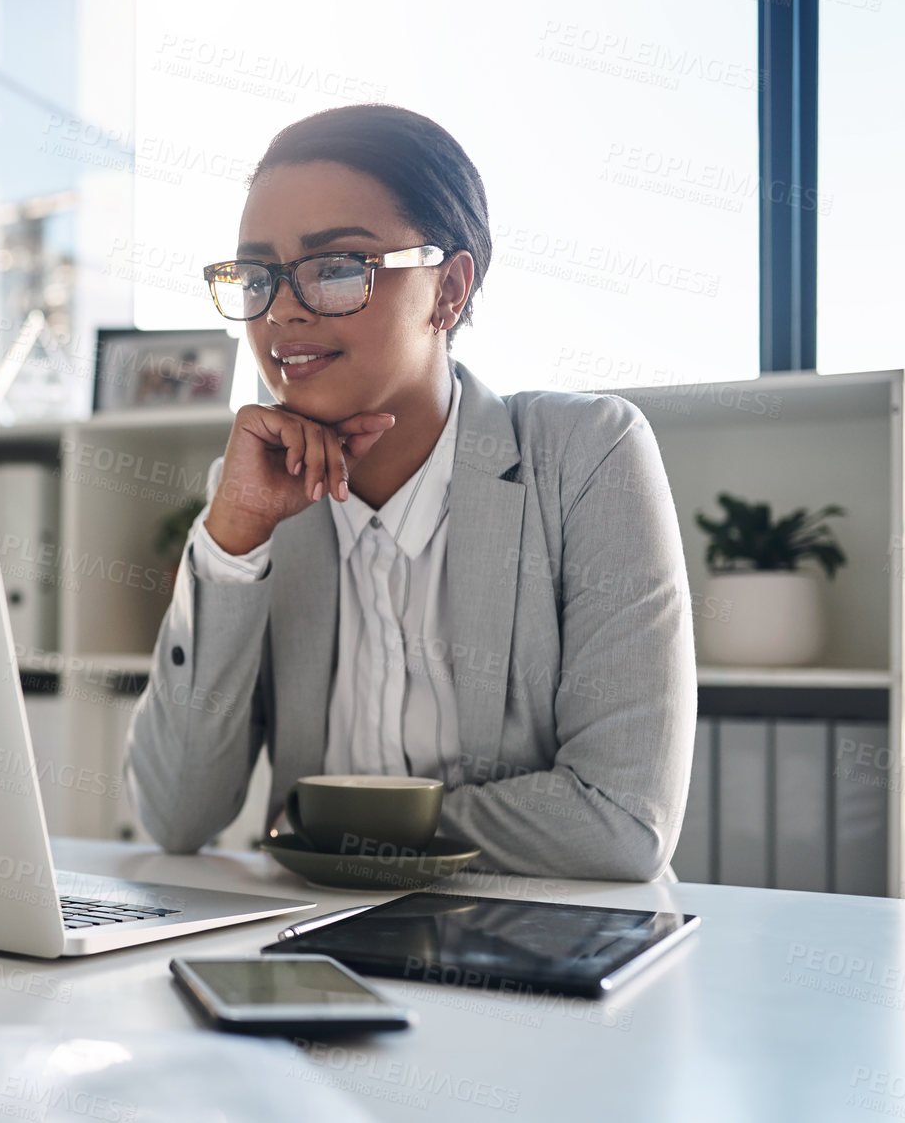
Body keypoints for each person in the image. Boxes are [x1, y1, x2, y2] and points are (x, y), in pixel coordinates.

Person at [124, 104, 695, 882]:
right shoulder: (257, 492)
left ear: (448, 290)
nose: (283, 310)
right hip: (312, 942)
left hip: (544, 946)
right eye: (258, 276)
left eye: (336, 268)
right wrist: (229, 550)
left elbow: (618, 822)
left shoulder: (584, 454)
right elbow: (175, 815)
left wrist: (334, 830)